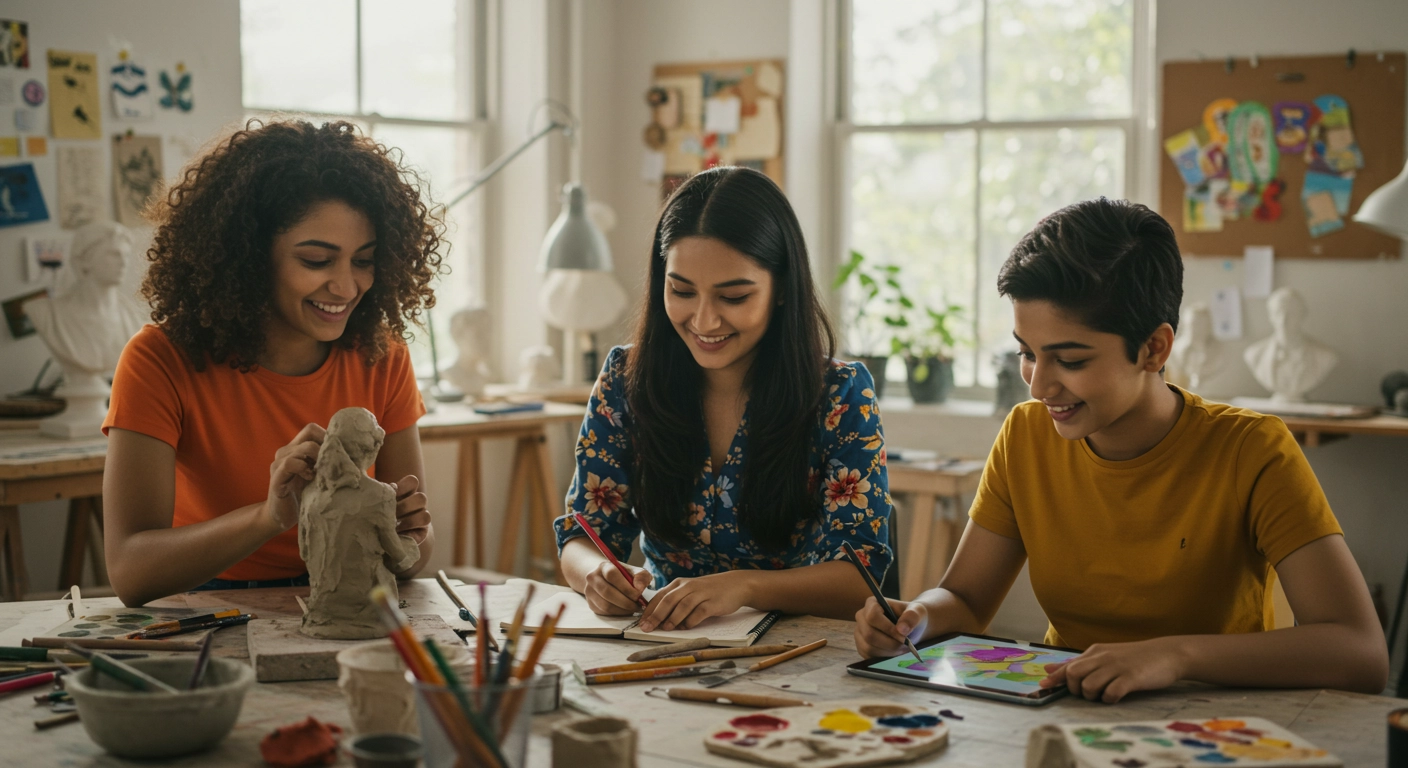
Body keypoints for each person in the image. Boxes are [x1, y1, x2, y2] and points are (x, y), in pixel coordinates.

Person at [854, 198, 1388, 702]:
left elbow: (1359, 652)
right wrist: (917, 615)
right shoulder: (1025, 434)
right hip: (1069, 710)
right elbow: (967, 602)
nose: (1038, 386)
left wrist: (1175, 656)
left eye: (1071, 360)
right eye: (1026, 353)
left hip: (1216, 722)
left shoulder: (1251, 449)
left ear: (1154, 348)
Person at [102, 119, 443, 606]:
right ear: (248, 256)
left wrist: (403, 531)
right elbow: (131, 572)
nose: (347, 287)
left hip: (349, 596)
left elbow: (416, 554)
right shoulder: (160, 359)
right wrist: (269, 516)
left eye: (363, 260)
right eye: (316, 261)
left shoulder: (381, 355)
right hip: (209, 603)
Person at [556, 166, 893, 631]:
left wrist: (744, 587)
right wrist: (596, 573)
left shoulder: (839, 395)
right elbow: (582, 533)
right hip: (663, 642)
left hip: (795, 650)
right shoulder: (625, 379)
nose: (704, 320)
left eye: (733, 296)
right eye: (681, 291)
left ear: (780, 289)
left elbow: (860, 578)